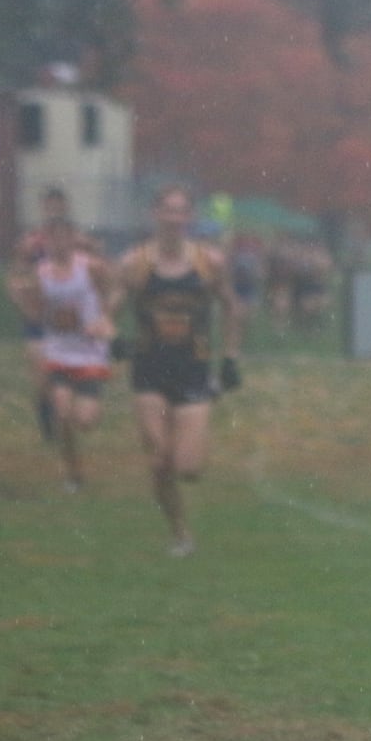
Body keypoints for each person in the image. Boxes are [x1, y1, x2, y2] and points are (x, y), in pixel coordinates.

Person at [110, 185, 244, 556]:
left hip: (194, 371)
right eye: (167, 210)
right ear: (155, 214)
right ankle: (180, 533)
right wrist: (112, 338)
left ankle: (190, 440)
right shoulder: (134, 264)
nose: (173, 218)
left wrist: (231, 357)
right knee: (158, 460)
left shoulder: (209, 263)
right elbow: (108, 311)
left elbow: (232, 308)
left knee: (188, 469)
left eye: (181, 211)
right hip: (149, 371)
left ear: (189, 217)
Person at [11, 217, 115, 492]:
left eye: (64, 237)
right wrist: (21, 298)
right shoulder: (41, 272)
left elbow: (113, 293)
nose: (59, 244)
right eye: (53, 238)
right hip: (58, 351)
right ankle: (73, 472)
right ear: (46, 241)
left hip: (89, 353)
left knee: (85, 421)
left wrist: (104, 318)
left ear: (73, 239)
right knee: (62, 411)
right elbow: (33, 311)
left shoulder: (90, 267)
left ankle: (89, 416)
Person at [7, 188, 97, 444]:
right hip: (39, 319)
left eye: (58, 206)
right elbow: (15, 274)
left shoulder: (79, 241)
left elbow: (98, 271)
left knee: (70, 375)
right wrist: (21, 299)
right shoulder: (30, 243)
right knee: (42, 377)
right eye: (49, 206)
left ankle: (67, 416)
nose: (54, 211)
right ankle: (49, 426)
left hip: (71, 321)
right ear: (42, 209)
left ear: (65, 208)